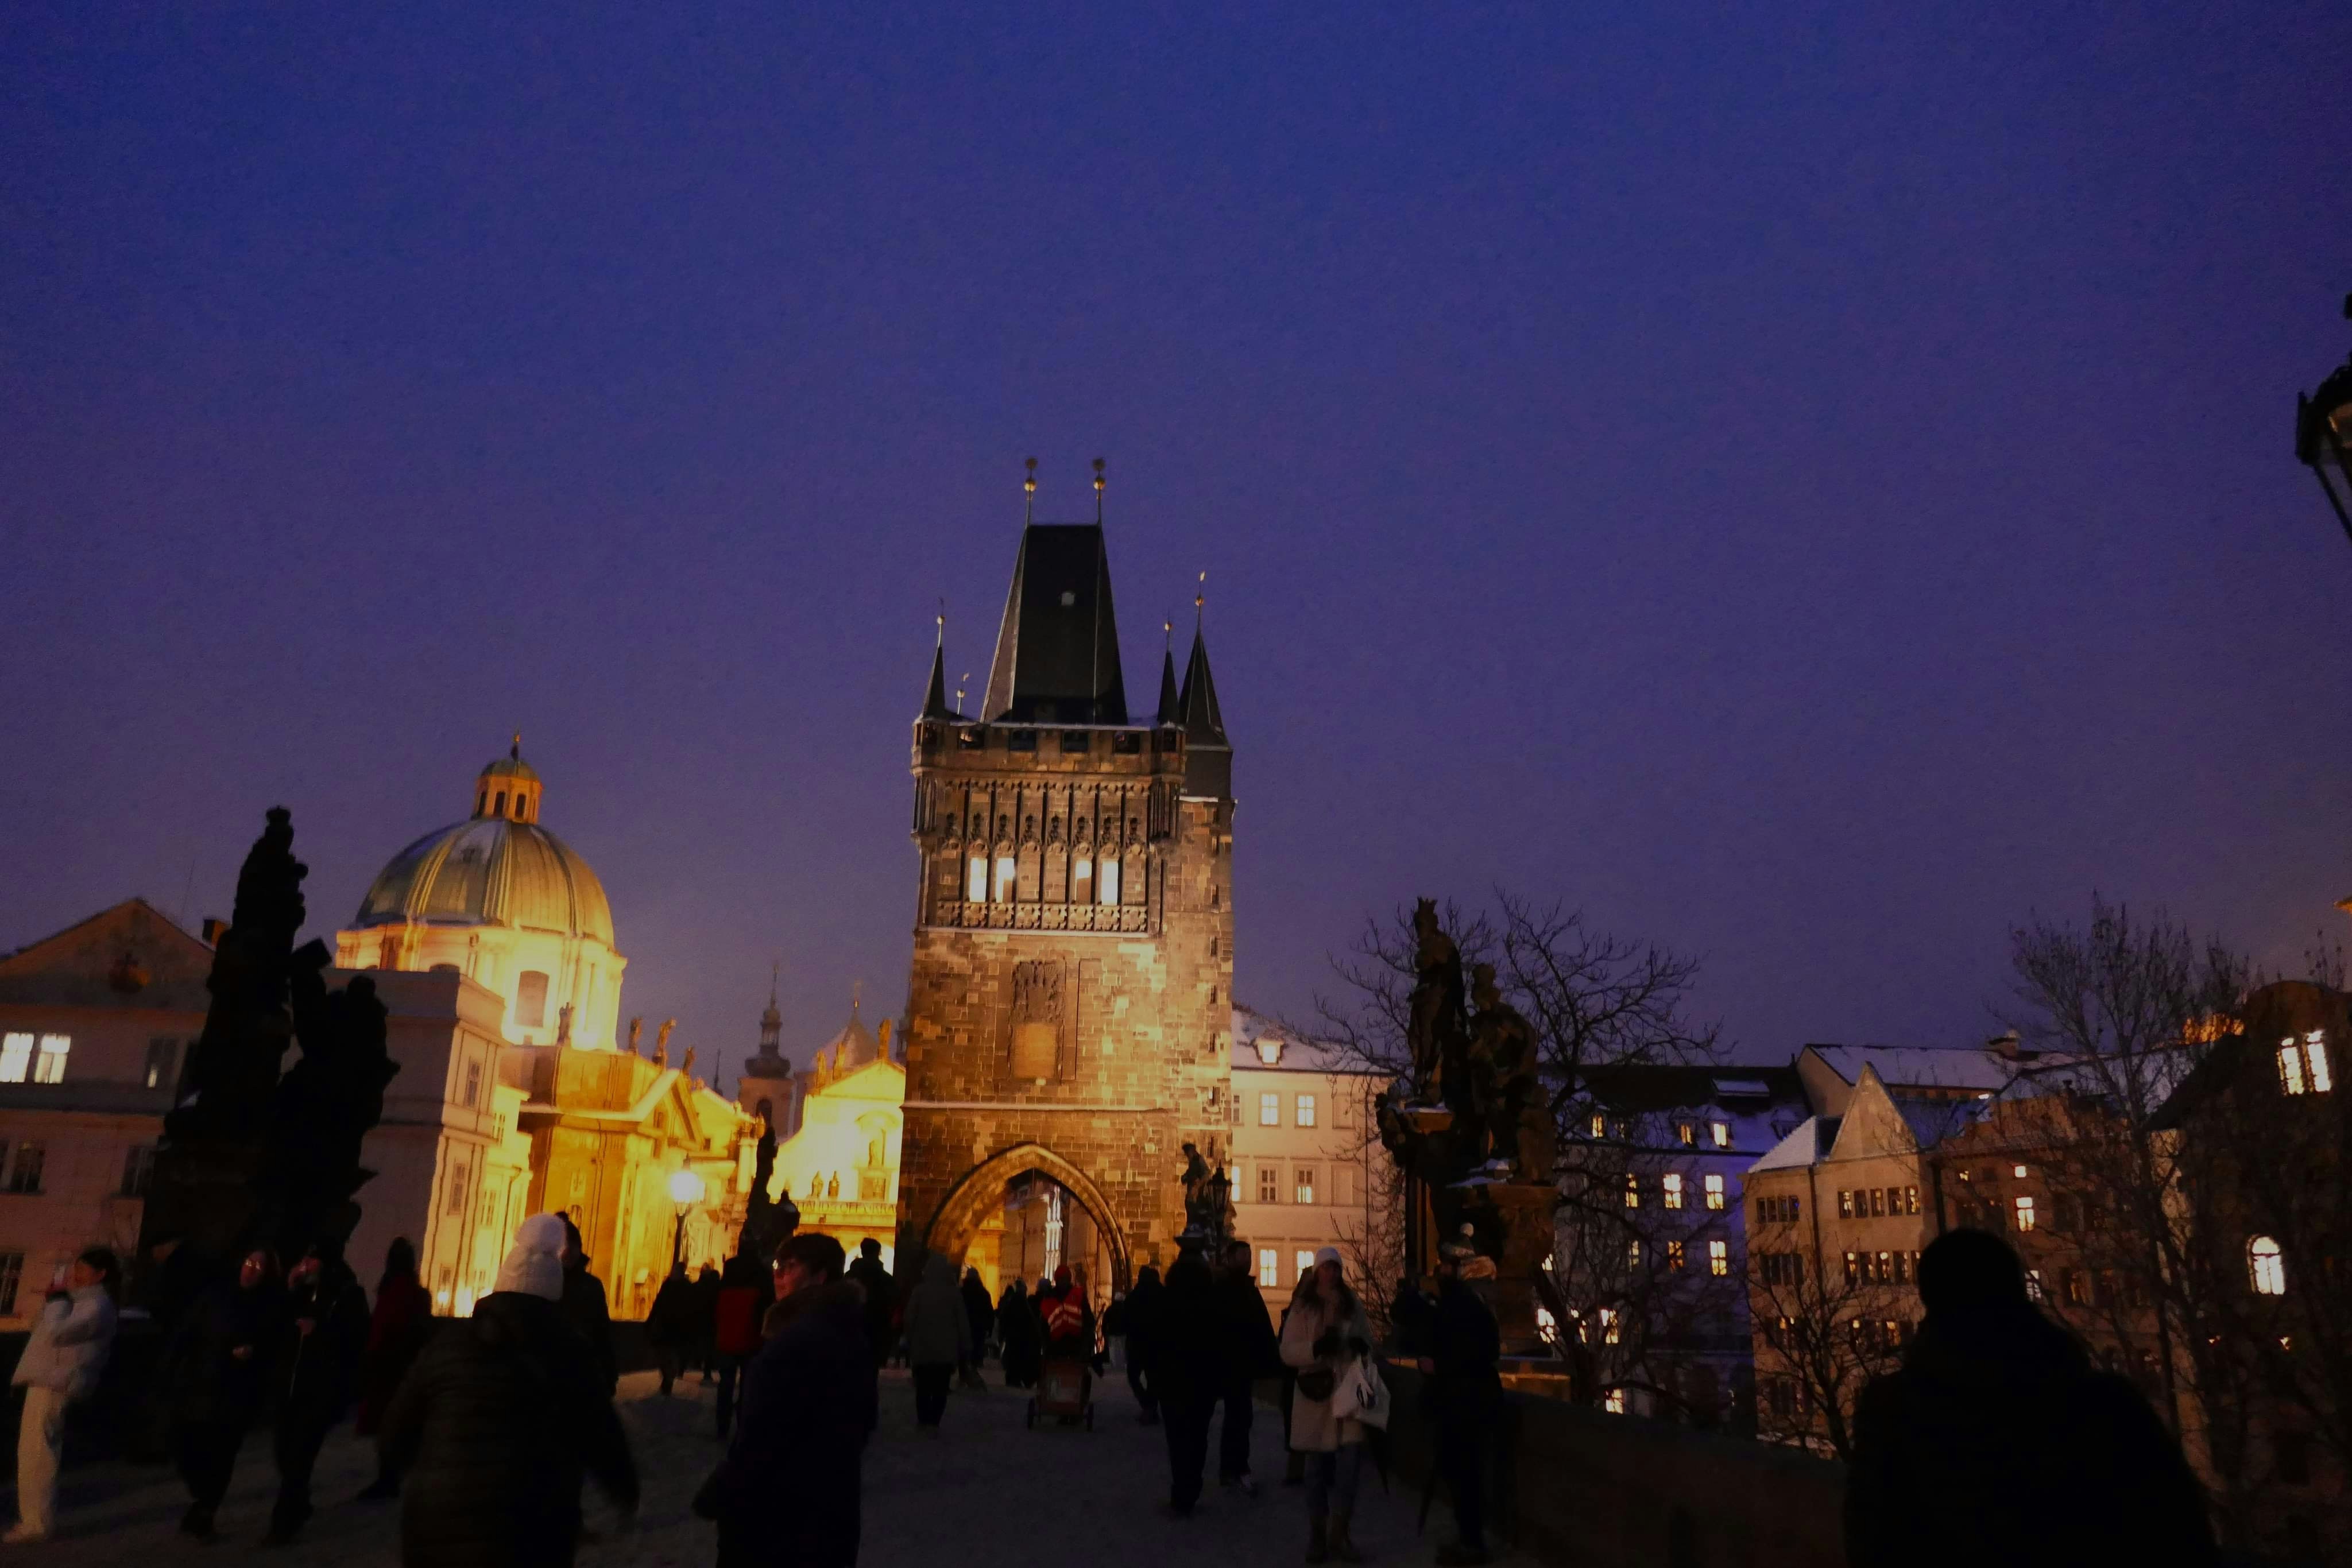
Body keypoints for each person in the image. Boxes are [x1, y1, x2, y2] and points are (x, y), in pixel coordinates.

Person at [1844, 1229, 2216, 1568]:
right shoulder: (2107, 1406)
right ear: (2017, 1288)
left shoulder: (1893, 1411)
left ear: (1929, 1297)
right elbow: (2181, 1536)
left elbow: (1872, 1541)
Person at [380, 1213, 638, 1568]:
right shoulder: (570, 1353)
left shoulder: (448, 1345)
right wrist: (625, 1492)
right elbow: (603, 1436)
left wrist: (413, 1469)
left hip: (436, 1525)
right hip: (530, 1529)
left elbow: (396, 1427)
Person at [697, 1232, 876, 1567]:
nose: (778, 1275)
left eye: (791, 1267)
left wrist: (722, 1489)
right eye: (778, 1266)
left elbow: (762, 1435)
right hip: (829, 1511)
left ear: (820, 1276)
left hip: (780, 1515)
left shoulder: (798, 1340)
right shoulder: (846, 1332)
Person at [161, 1247, 285, 1540]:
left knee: (222, 1453)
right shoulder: (216, 1296)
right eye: (249, 1261)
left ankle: (205, 1511)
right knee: (187, 1444)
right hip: (199, 1384)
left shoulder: (269, 1305)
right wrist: (169, 1370)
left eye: (259, 1265)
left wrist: (254, 1352)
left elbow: (276, 1345)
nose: (252, 1269)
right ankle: (202, 1497)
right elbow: (186, 1333)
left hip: (237, 1392)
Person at [7, 1248, 120, 1543]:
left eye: (82, 1270)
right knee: (35, 1453)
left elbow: (57, 1333)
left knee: (39, 1455)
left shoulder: (97, 1306)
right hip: (50, 1381)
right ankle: (34, 1520)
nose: (75, 1276)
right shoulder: (84, 1302)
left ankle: (37, 1524)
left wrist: (56, 1303)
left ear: (101, 1274)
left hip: (56, 1383)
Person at [268, 1240, 369, 1544]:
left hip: (319, 1391)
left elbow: (355, 1337)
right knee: (284, 1453)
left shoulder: (348, 1293)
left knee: (299, 1458)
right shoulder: (299, 1289)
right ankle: (299, 1503)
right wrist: (287, 1289)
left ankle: (283, 1525)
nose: (305, 1266)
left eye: (311, 1261)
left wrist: (321, 1329)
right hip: (290, 1387)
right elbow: (276, 1325)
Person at [1281, 1246, 1374, 1563]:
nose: (1331, 1274)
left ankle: (1340, 1534)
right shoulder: (1303, 1308)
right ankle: (1318, 1535)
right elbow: (1287, 1352)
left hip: (1347, 1396)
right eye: (1326, 1268)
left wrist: (1361, 1346)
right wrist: (1315, 1348)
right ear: (1317, 1271)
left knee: (1350, 1473)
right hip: (1316, 1395)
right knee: (1316, 1474)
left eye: (1336, 1268)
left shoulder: (1352, 1306)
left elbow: (1368, 1340)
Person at [1413, 1240, 1501, 1566]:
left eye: (1446, 1265)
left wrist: (1439, 1366)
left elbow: (1482, 1352)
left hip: (1466, 1403)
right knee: (1460, 1472)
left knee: (1465, 1474)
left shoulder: (1466, 1304)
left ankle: (1472, 1543)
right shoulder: (1458, 1302)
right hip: (1459, 1402)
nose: (1440, 1271)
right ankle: (1468, 1537)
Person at [355, 1238, 433, 1500]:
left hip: (388, 1368)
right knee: (396, 1424)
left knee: (387, 1425)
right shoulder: (417, 1293)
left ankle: (388, 1480)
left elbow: (383, 1329)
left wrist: (370, 1358)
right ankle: (391, 1477)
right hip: (405, 1367)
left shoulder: (392, 1291)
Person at [1155, 1239, 1222, 1519]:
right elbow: (1221, 1341)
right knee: (1197, 1435)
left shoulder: (1168, 1298)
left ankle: (1181, 1489)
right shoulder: (1211, 1299)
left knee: (1177, 1437)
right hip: (1202, 1378)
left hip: (1173, 1378)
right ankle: (1192, 1486)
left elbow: (1157, 1339)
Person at [1213, 1238, 1278, 1497]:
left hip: (1240, 1365)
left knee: (1239, 1419)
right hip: (1235, 1365)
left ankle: (1233, 1470)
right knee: (1238, 1419)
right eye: (1243, 1255)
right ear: (1231, 1258)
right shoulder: (1231, 1288)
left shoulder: (1242, 1287)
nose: (1248, 1260)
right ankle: (1237, 1470)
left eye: (1249, 1255)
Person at [902, 1255, 972, 1433]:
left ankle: (923, 1420)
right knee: (941, 1388)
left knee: (923, 1387)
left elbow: (909, 1318)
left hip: (922, 1348)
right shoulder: (954, 1293)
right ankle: (934, 1421)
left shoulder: (919, 1291)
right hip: (946, 1351)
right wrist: (965, 1345)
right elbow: (962, 1323)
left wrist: (910, 1338)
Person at [555, 1213, 619, 1398]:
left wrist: (609, 1373)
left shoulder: (591, 1285)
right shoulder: (541, 1281)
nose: (568, 1251)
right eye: (563, 1246)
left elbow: (602, 1331)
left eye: (573, 1246)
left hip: (581, 1370)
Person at [711, 1253, 772, 1441]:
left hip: (727, 1342)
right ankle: (743, 1425)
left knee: (726, 1385)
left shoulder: (724, 1292)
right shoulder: (758, 1293)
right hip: (750, 1343)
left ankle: (722, 1426)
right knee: (748, 1387)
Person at [649, 1262, 698, 1396]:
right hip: (665, 1326)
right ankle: (667, 1375)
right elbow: (658, 1302)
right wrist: (651, 1319)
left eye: (676, 1271)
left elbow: (691, 1309)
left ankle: (668, 1380)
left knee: (671, 1355)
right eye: (673, 1270)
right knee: (663, 1354)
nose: (673, 1272)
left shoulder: (686, 1287)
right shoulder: (667, 1285)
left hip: (677, 1327)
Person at [1124, 1263, 1165, 1425]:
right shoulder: (1163, 1295)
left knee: (1134, 1376)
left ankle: (1147, 1405)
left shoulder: (1134, 1296)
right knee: (1154, 1379)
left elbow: (1126, 1318)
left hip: (1138, 1343)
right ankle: (1151, 1408)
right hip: (1157, 1344)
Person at [847, 1239, 895, 1369]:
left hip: (852, 1328)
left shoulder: (849, 1277)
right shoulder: (886, 1279)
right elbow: (892, 1303)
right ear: (877, 1253)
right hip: (877, 1329)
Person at [996, 1279, 1041, 1389]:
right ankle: (1016, 1379)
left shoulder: (1012, 1302)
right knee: (1018, 1358)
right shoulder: (1023, 1304)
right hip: (1020, 1337)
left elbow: (1004, 1319)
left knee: (1013, 1357)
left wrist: (1002, 1334)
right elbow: (1030, 1322)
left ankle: (1012, 1378)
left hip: (1013, 1336)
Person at [959, 1267, 995, 1385]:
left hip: (964, 1327)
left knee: (963, 1351)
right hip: (979, 1328)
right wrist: (989, 1327)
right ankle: (973, 1372)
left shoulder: (962, 1292)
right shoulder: (984, 1293)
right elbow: (989, 1312)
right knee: (975, 1350)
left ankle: (963, 1374)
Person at [691, 1264, 724, 1384]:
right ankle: (708, 1369)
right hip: (714, 1322)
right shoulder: (719, 1289)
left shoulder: (701, 1287)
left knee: (703, 1344)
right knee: (710, 1346)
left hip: (703, 1320)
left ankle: (700, 1364)